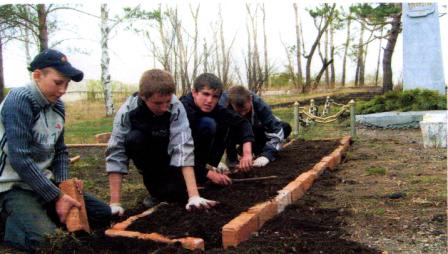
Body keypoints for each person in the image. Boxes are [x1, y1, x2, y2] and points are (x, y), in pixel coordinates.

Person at [0, 49, 111, 252]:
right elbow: (19, 158)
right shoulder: (19, 100)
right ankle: (10, 221)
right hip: (12, 186)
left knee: (102, 214)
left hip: (44, 184)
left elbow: (60, 152)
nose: (63, 90)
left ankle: (35, 216)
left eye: (67, 84)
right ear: (37, 75)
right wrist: (58, 197)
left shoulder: (57, 106)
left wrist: (65, 186)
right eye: (58, 82)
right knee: (50, 241)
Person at [106, 69, 216, 215]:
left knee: (176, 195)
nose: (165, 107)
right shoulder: (127, 112)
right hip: (146, 153)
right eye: (158, 103)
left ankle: (172, 187)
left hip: (169, 153)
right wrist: (115, 203)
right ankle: (155, 189)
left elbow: (183, 147)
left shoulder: (176, 107)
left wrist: (194, 196)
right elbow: (116, 151)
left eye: (168, 101)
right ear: (143, 97)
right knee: (134, 139)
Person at [180, 73, 255, 186]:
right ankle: (199, 172)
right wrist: (207, 174)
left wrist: (247, 153)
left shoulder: (215, 108)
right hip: (173, 159)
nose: (210, 100)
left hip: (196, 159)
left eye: (215, 96)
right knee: (208, 124)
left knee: (225, 122)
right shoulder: (183, 111)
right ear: (194, 92)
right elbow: (179, 152)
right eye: (206, 94)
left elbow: (243, 123)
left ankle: (208, 167)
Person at [220, 85, 292, 168]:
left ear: (250, 99)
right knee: (227, 129)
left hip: (255, 131)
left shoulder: (259, 104)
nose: (243, 114)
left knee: (285, 127)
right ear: (230, 103)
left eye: (246, 110)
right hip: (235, 133)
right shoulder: (222, 105)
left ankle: (257, 150)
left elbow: (275, 129)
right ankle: (232, 160)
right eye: (239, 112)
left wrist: (267, 156)